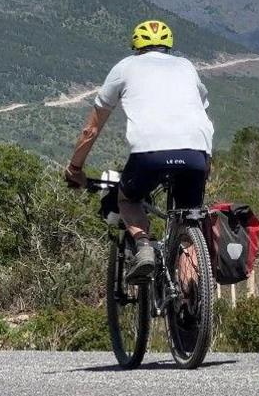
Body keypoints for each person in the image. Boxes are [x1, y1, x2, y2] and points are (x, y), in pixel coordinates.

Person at [65, 20, 214, 283]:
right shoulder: (186, 66)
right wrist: (205, 165)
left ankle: (144, 246)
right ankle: (192, 301)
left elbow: (91, 129)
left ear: (136, 46)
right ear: (168, 46)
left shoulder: (124, 67)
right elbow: (203, 114)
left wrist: (74, 169)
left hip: (149, 155)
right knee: (189, 219)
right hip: (196, 153)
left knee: (128, 199)